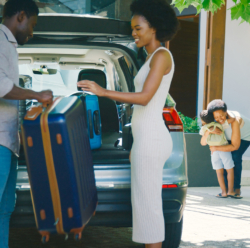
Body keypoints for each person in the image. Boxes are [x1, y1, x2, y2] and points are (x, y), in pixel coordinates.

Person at [77, 0, 179, 247]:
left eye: (138, 28)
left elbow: (144, 98)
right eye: (133, 28)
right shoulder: (152, 57)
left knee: (149, 207)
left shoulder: (162, 56)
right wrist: (136, 146)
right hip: (147, 140)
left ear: (154, 27)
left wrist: (104, 92)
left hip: (153, 140)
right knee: (145, 205)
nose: (134, 33)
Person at [0, 1, 53, 247]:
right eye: (32, 24)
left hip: (8, 144)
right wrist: (36, 95)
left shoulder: (8, 44)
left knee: (4, 210)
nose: (32, 31)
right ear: (21, 16)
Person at [207, 99, 250, 198]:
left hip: (245, 136)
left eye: (221, 116)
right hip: (228, 137)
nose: (219, 119)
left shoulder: (235, 120)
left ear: (226, 112)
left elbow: (235, 146)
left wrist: (216, 147)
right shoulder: (212, 120)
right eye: (216, 117)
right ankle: (225, 190)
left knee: (235, 156)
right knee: (224, 156)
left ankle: (236, 188)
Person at [199, 110, 236, 198]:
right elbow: (233, 119)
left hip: (213, 151)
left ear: (202, 121)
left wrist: (208, 132)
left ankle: (223, 192)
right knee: (230, 170)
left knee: (219, 172)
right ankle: (230, 191)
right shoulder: (220, 125)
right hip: (224, 148)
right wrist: (225, 114)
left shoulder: (204, 129)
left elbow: (203, 143)